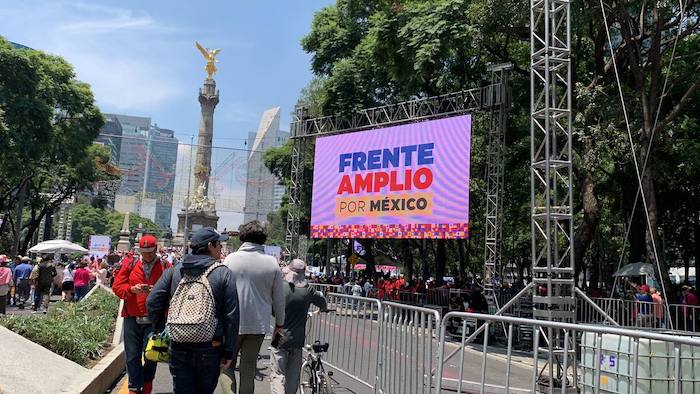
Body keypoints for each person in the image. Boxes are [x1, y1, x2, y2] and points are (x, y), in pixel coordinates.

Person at [148, 227, 239, 394]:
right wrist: (229, 350)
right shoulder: (223, 273)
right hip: (211, 345)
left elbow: (152, 301)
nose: (221, 248)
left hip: (179, 343)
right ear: (211, 246)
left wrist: (162, 328)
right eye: (219, 244)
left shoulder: (175, 270)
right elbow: (231, 316)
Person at [221, 220, 286, 394]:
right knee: (248, 368)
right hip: (258, 325)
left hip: (232, 324)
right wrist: (279, 325)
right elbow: (279, 300)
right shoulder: (272, 263)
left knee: (226, 365)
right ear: (263, 239)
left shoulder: (230, 260)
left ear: (242, 237)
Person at [112, 235, 170, 394]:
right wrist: (132, 289)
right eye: (144, 252)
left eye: (150, 252)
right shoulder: (130, 264)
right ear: (139, 251)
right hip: (132, 316)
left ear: (156, 249)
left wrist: (157, 292)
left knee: (151, 353)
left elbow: (173, 290)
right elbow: (117, 287)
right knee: (132, 355)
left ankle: (147, 381)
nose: (147, 256)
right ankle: (134, 387)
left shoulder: (165, 266)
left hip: (154, 318)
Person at [270, 259, 327, 394]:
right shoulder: (308, 291)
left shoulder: (281, 288)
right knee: (293, 377)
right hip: (298, 339)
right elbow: (322, 303)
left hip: (279, 335)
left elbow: (273, 311)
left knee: (277, 374)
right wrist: (323, 309)